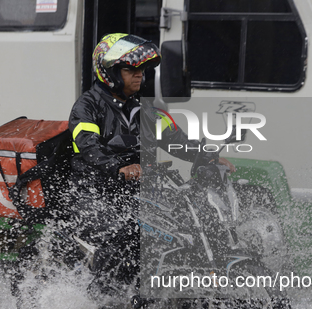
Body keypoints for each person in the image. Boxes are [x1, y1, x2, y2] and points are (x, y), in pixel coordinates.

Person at [67, 33, 233, 286]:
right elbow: (88, 148)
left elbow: (178, 142)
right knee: (131, 232)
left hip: (138, 193)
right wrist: (120, 167)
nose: (139, 75)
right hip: (96, 194)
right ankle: (105, 303)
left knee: (194, 218)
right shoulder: (87, 107)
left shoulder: (146, 111)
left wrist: (209, 157)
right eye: (130, 69)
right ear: (108, 71)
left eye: (142, 70)